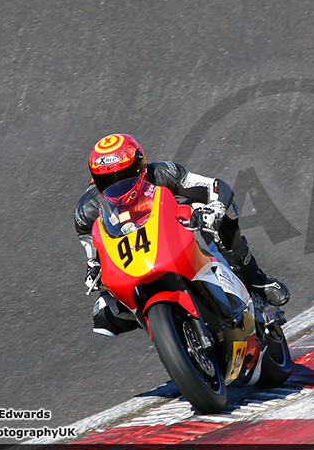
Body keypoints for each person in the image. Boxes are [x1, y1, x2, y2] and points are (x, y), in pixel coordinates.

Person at [74, 133, 289, 337]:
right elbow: (92, 247)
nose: (117, 185)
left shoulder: (162, 173)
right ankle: (168, 329)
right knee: (103, 313)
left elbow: (213, 187)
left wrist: (212, 210)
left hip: (171, 231)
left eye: (124, 175)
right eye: (107, 181)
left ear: (140, 166)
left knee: (223, 208)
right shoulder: (87, 210)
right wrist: (93, 267)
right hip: (133, 257)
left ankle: (254, 279)